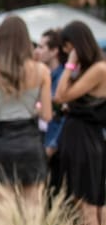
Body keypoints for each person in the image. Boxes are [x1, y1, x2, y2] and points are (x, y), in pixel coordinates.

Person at [0, 15, 51, 197]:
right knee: (32, 211)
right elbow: (47, 115)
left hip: (1, 143)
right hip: (30, 142)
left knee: (3, 213)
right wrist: (30, 108)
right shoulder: (42, 71)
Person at [52, 20, 106, 225]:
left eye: (68, 47)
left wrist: (69, 65)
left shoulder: (98, 69)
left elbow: (60, 95)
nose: (67, 52)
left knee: (88, 204)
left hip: (85, 140)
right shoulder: (92, 68)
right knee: (92, 202)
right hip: (82, 138)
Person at [34, 29, 66, 159]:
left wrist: (53, 145)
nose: (37, 51)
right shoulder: (44, 75)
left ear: (54, 51)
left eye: (41, 47)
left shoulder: (62, 79)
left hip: (54, 146)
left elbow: (64, 116)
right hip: (43, 140)